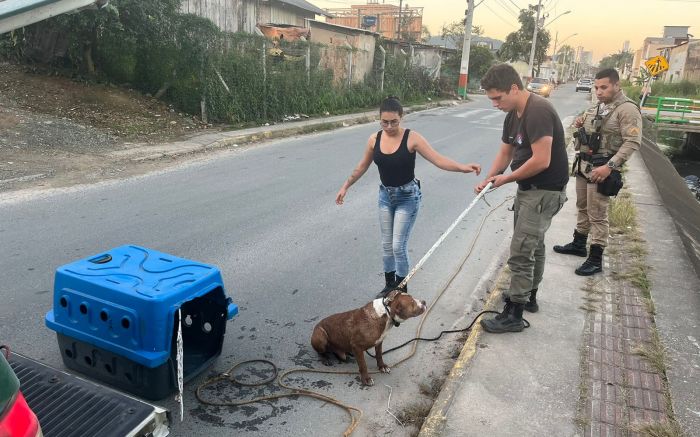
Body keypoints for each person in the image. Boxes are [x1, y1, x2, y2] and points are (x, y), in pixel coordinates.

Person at [336, 97, 481, 298]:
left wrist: (463, 168)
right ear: (379, 119)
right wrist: (346, 186)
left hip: (407, 197)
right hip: (385, 196)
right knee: (386, 245)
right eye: (384, 122)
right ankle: (389, 286)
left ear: (401, 117)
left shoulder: (412, 138)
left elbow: (438, 159)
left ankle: (401, 289)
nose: (389, 126)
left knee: (397, 245)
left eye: (393, 122)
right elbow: (362, 166)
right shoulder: (374, 139)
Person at [475, 64, 569, 334]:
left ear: (514, 88)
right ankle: (529, 297)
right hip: (530, 189)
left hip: (544, 191)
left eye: (497, 98)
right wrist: (489, 179)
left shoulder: (538, 111)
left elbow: (542, 159)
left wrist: (505, 179)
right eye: (491, 99)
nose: (495, 104)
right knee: (534, 246)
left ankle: (514, 314)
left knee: (521, 251)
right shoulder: (512, 113)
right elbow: (505, 153)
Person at [553, 68, 642, 275]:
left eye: (604, 87)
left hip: (603, 168)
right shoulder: (599, 106)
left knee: (598, 213)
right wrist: (580, 122)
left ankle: (595, 258)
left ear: (617, 85)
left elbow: (633, 142)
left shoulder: (626, 109)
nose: (599, 91)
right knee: (582, 206)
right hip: (584, 165)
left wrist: (609, 167)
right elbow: (588, 125)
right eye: (596, 87)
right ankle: (578, 244)